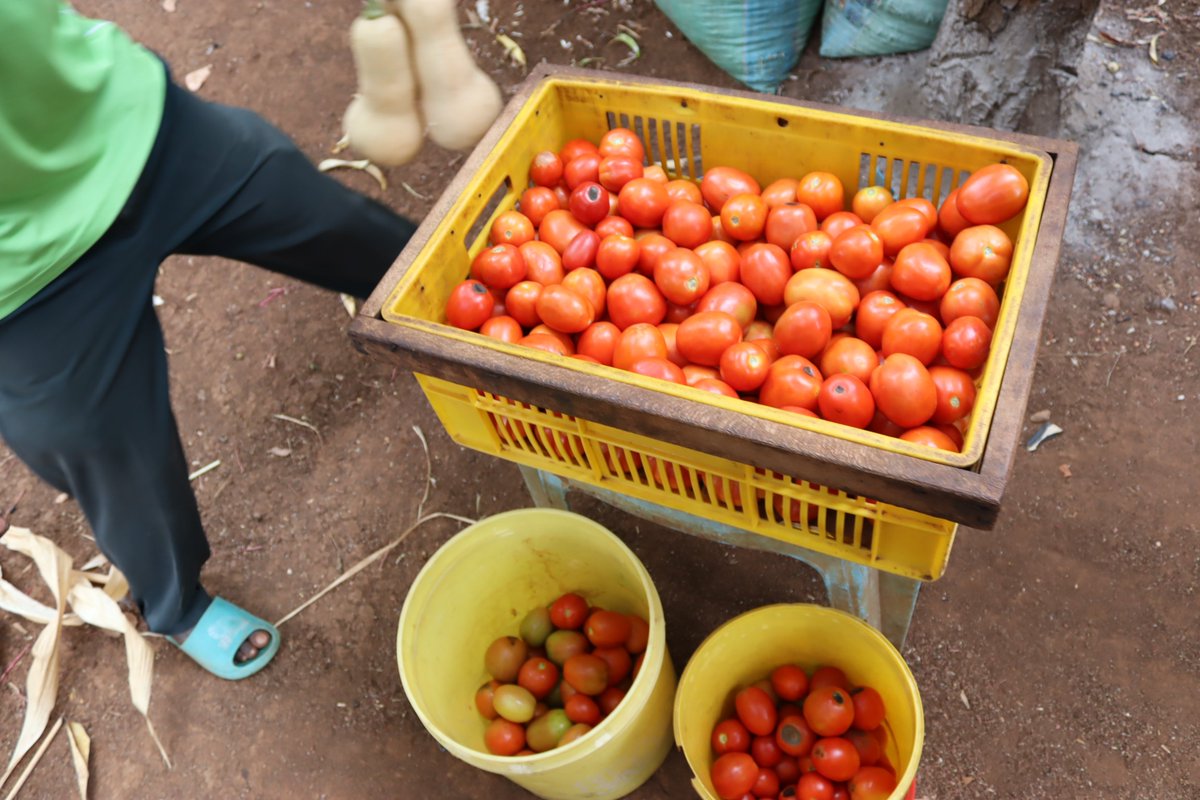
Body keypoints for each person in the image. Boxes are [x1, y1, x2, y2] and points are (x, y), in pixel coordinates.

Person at [0, 2, 417, 679]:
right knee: (97, 445)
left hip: (130, 124)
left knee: (325, 218)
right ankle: (176, 602)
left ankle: (454, 309)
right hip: (23, 284)